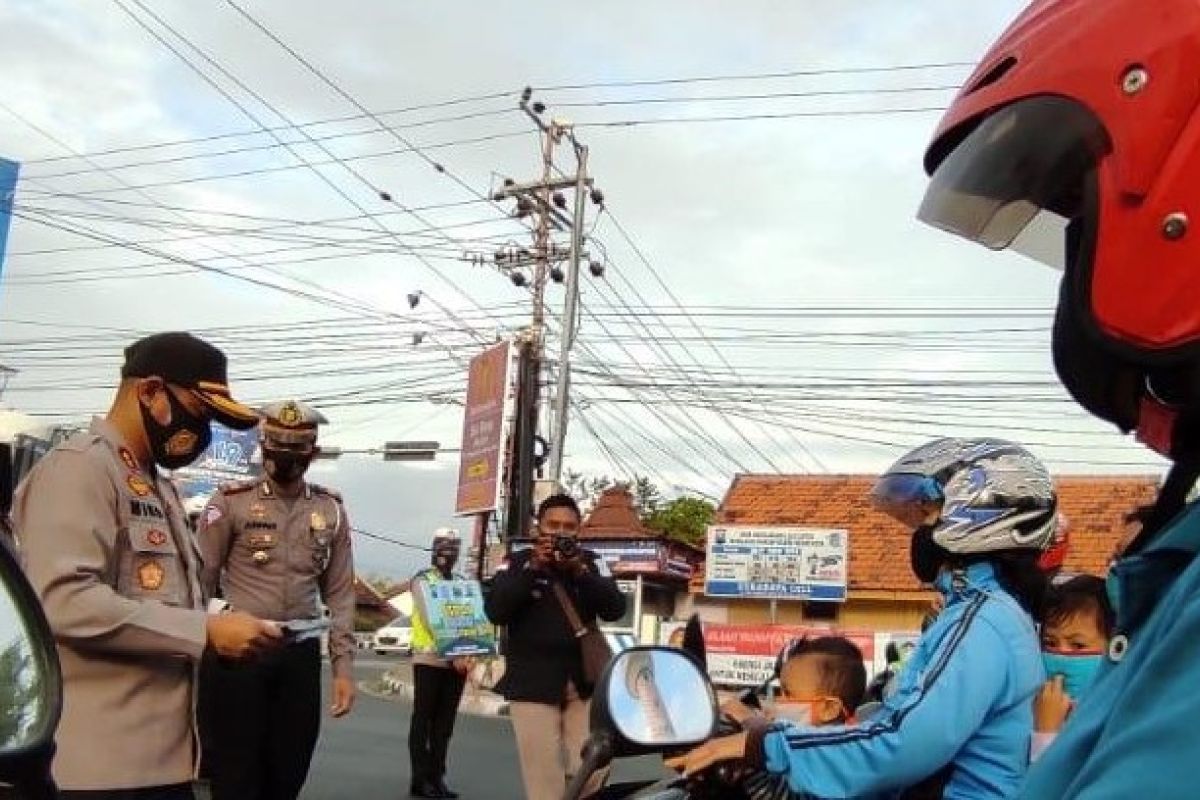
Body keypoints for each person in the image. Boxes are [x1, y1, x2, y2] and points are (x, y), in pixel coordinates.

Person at [916, 3, 1200, 794]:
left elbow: (910, 739)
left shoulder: (984, 621)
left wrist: (776, 747)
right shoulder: (1169, 572)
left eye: (1084, 219)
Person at [669, 438, 1053, 799]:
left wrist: (760, 746)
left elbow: (900, 745)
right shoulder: (984, 614)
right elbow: (888, 724)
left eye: (930, 514)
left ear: (979, 517)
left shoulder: (980, 623)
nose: (920, 531)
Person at [11, 332, 281, 798]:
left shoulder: (157, 486)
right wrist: (204, 632)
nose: (202, 434)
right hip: (97, 771)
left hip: (162, 765)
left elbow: (158, 597)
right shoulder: (79, 469)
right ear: (151, 391)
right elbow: (60, 600)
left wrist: (220, 620)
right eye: (199, 414)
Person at [198, 399, 357, 800]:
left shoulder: (330, 510)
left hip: (299, 654)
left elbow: (339, 592)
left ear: (313, 454)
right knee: (235, 776)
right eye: (277, 444)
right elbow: (200, 580)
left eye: (296, 447)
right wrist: (194, 645)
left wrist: (343, 668)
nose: (284, 455)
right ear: (263, 446)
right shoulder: (229, 501)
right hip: (239, 654)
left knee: (288, 772)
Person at [483, 493, 626, 800]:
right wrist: (533, 567)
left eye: (569, 527)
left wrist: (581, 572)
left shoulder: (591, 562)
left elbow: (615, 608)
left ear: (579, 530)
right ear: (539, 528)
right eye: (553, 525)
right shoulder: (517, 561)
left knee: (594, 766)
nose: (561, 533)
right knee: (544, 779)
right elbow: (496, 610)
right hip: (532, 683)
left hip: (584, 683)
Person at [408, 529, 474, 799]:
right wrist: (456, 652)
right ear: (434, 548)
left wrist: (472, 653)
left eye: (454, 546)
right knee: (423, 721)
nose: (448, 551)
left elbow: (470, 618)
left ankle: (437, 778)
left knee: (444, 726)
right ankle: (419, 779)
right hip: (429, 660)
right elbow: (432, 617)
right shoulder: (423, 580)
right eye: (443, 545)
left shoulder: (461, 581)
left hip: (456, 665)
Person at [1031, 575, 1113, 762]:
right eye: (1050, 643)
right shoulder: (1034, 702)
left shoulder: (1115, 714)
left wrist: (1046, 732)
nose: (1061, 654)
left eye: (1078, 645)